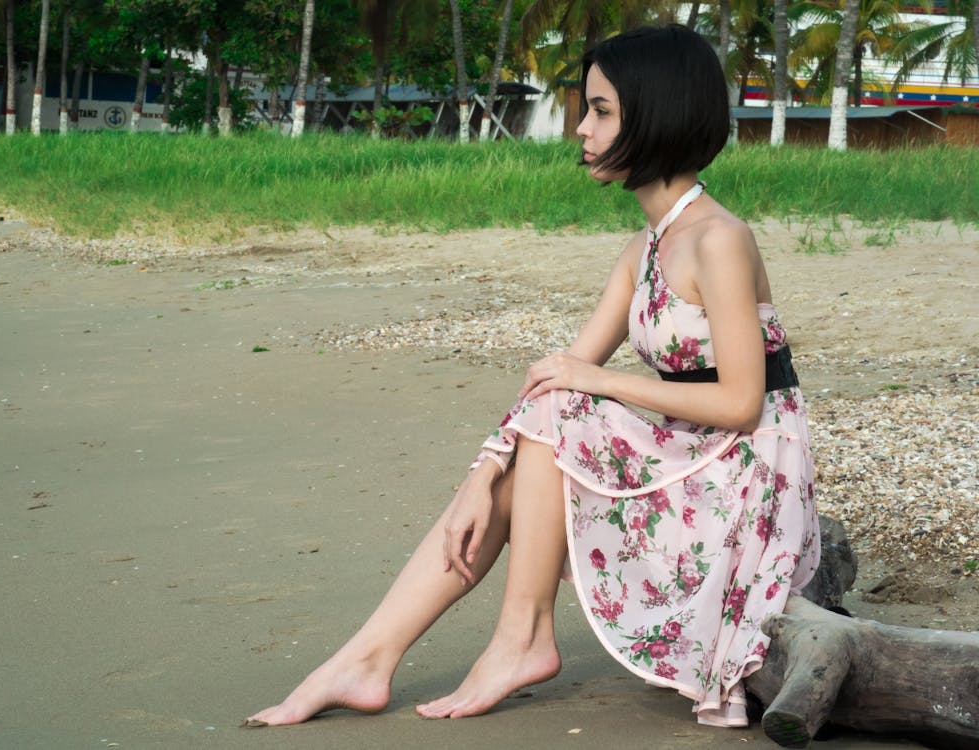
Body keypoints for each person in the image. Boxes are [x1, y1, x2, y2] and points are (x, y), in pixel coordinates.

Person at [247, 24, 820, 730]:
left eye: (602, 110)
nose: (582, 127)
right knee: (540, 432)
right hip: (690, 452)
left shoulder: (720, 239)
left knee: (570, 404)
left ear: (657, 111)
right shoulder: (645, 246)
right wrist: (478, 478)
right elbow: (554, 379)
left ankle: (519, 638)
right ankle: (368, 656)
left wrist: (599, 382)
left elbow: (740, 401)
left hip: (747, 470)